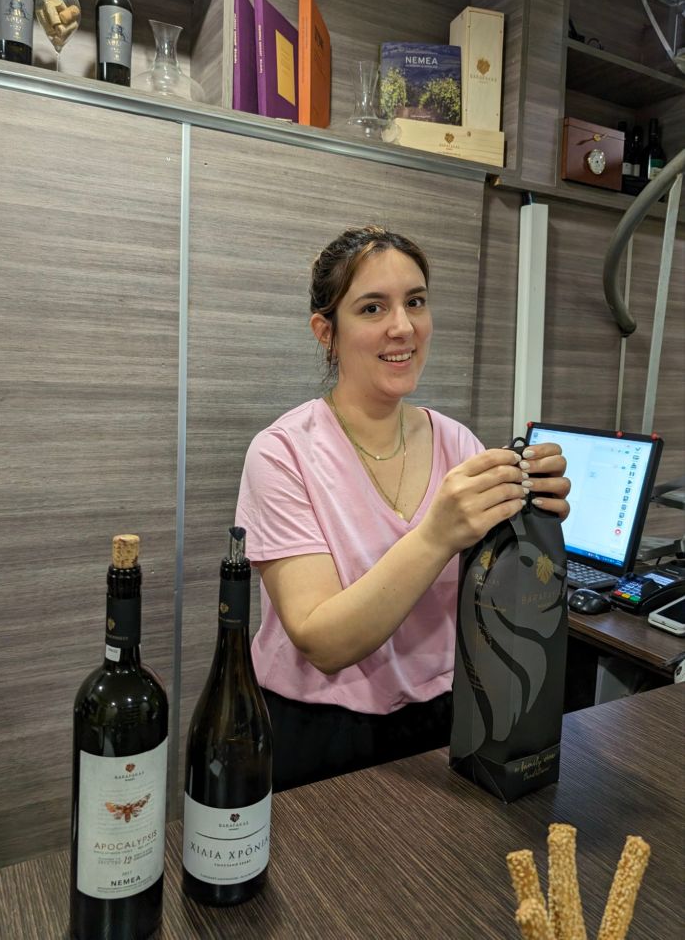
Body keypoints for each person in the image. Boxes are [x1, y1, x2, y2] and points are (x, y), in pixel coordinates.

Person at [235, 226, 570, 791]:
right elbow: (323, 642)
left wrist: (534, 519)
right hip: (320, 733)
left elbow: (496, 597)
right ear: (326, 332)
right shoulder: (282, 453)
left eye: (415, 302)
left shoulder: (457, 443)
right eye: (373, 308)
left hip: (450, 718)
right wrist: (436, 535)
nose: (403, 327)